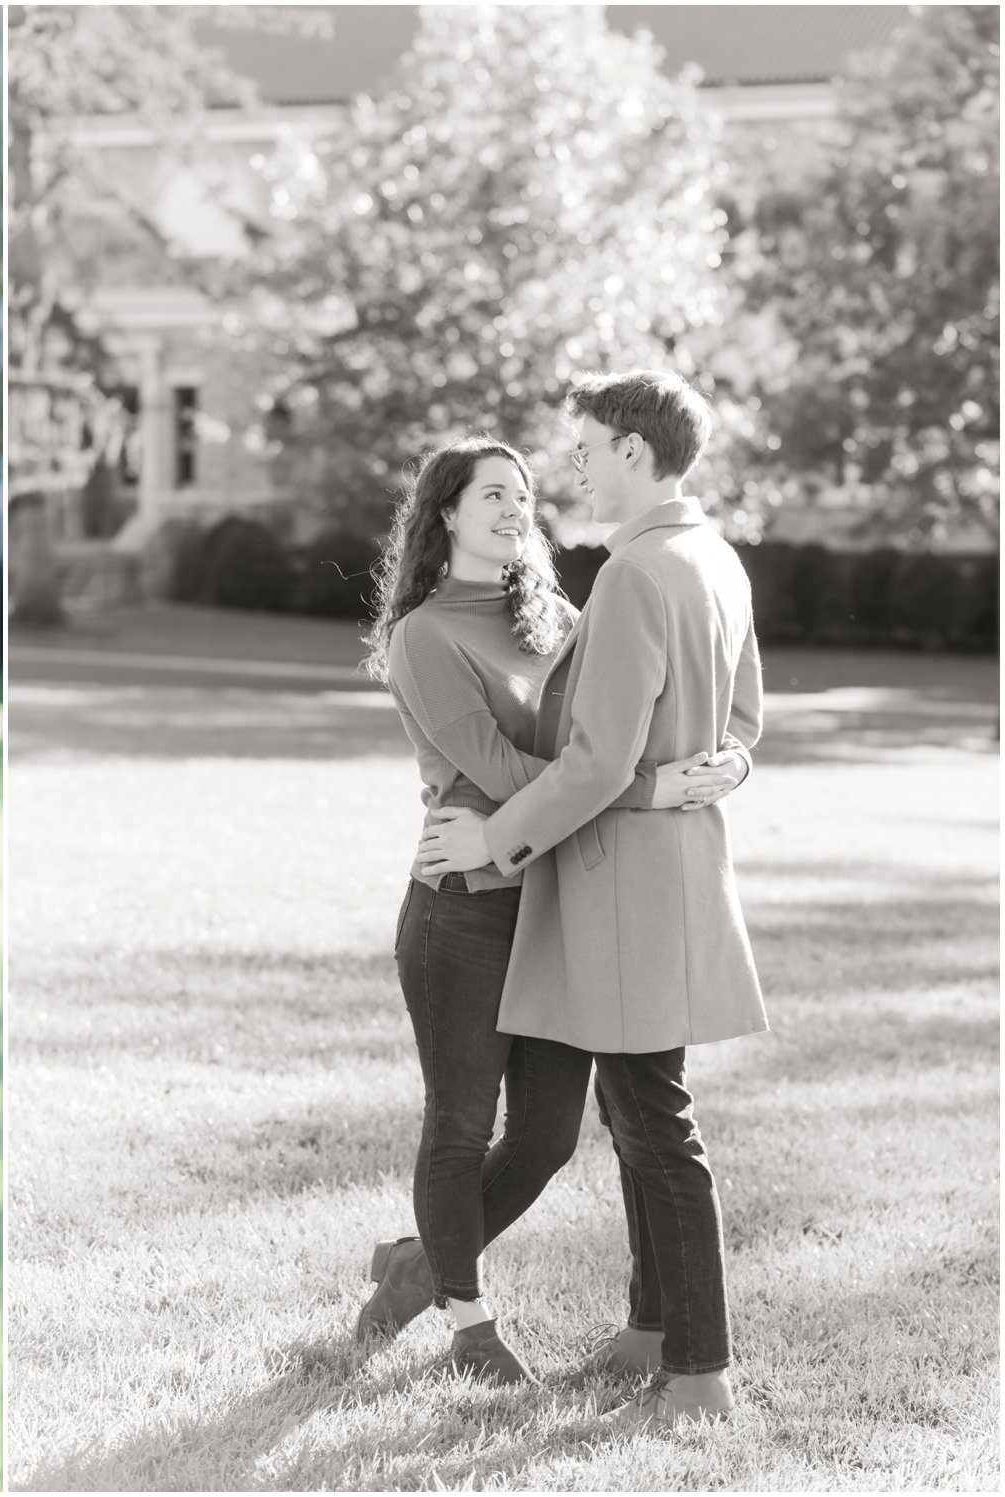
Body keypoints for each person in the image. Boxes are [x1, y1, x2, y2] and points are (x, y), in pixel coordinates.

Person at [353, 436, 749, 1384]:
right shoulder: (424, 636)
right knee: (459, 1121)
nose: (512, 508)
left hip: (559, 903)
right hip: (463, 909)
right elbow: (504, 773)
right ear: (444, 511)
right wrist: (649, 792)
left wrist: (726, 758)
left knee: (547, 1135)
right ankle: (470, 1326)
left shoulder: (558, 618)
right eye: (491, 494)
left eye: (523, 494)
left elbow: (605, 739)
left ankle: (417, 1264)